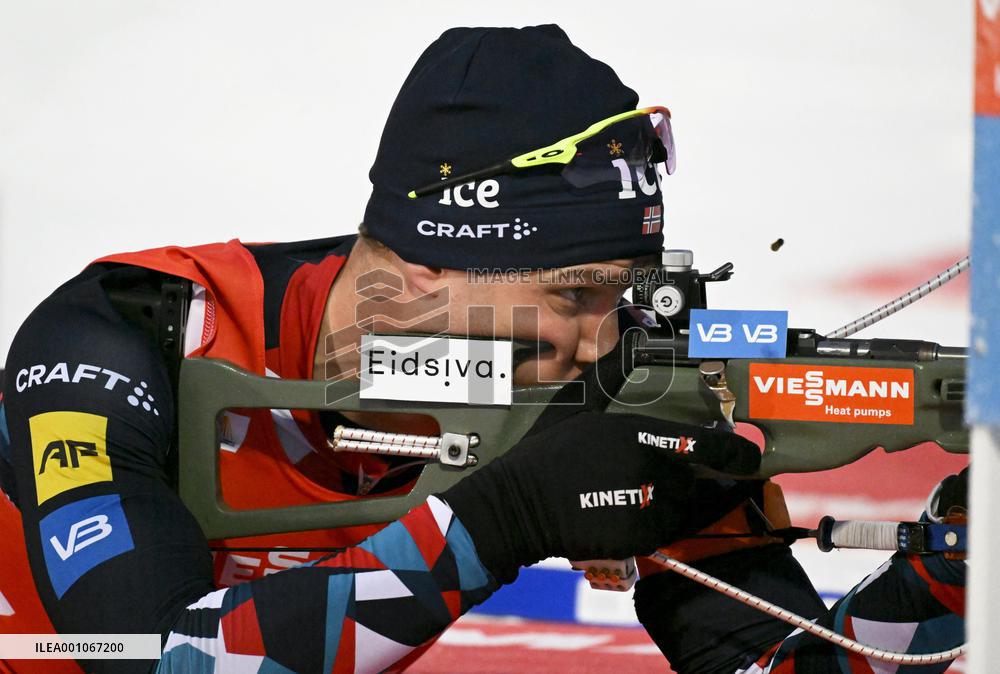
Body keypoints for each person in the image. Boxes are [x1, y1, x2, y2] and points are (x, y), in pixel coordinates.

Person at [0, 25, 964, 674]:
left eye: (626, 295)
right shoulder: (125, 338)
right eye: (575, 294)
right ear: (429, 268)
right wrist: (504, 518)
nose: (607, 341)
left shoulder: (610, 375)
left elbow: (770, 665)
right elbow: (156, 658)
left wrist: (951, 573)